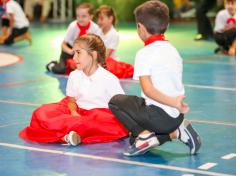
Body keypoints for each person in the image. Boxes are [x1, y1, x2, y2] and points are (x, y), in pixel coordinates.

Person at [108, 0, 201, 156]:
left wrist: (172, 102)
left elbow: (148, 90)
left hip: (160, 116)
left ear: (141, 28)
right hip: (176, 116)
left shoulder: (145, 53)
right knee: (133, 140)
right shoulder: (172, 50)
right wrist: (175, 104)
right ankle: (178, 131)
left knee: (115, 101)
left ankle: (146, 136)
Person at [19, 34, 128, 145]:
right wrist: (73, 112)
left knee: (102, 123)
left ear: (94, 55)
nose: (74, 58)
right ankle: (68, 136)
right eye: (74, 53)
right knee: (41, 112)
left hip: (98, 116)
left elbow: (123, 107)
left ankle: (65, 135)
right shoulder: (74, 75)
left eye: (78, 53)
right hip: (76, 111)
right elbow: (71, 101)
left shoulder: (109, 79)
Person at [46, 3, 100, 75]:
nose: (80, 19)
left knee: (90, 69)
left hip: (84, 51)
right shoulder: (73, 26)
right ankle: (51, 65)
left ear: (91, 16)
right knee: (63, 70)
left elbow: (96, 46)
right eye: (78, 16)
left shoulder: (95, 28)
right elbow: (63, 44)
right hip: (69, 49)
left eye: (83, 16)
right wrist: (70, 51)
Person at [95, 5, 134, 79]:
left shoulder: (114, 34)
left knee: (104, 69)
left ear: (110, 19)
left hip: (109, 61)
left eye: (101, 19)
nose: (98, 21)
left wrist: (93, 61)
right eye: (98, 19)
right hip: (98, 59)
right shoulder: (98, 31)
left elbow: (106, 55)